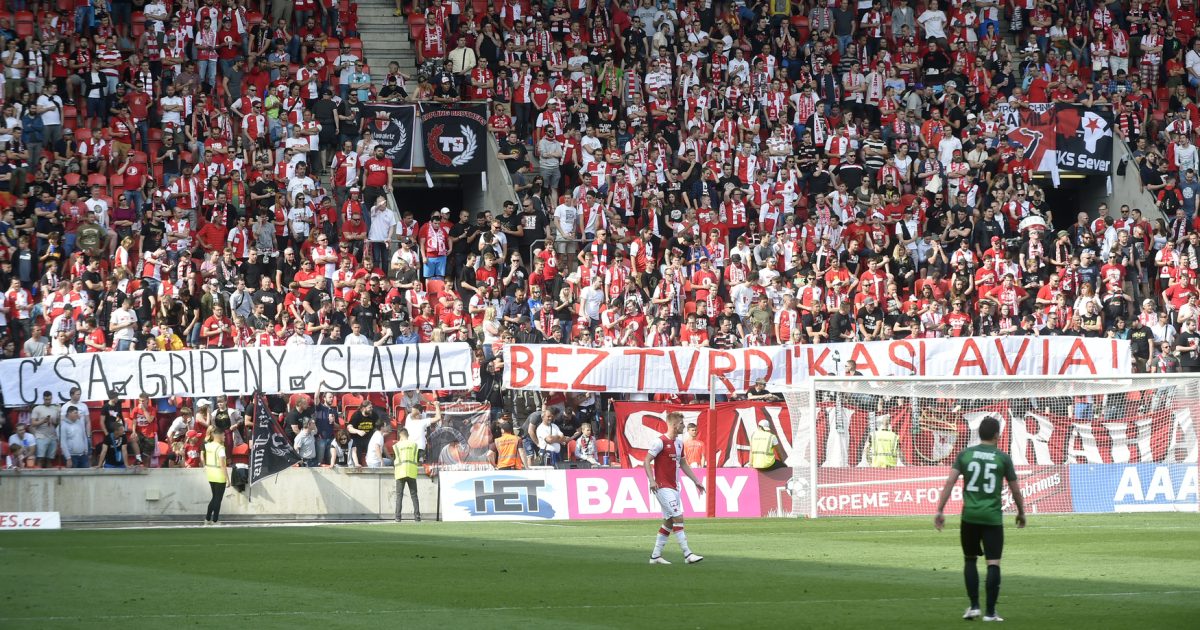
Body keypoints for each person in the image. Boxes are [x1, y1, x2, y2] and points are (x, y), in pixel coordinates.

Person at [934, 415, 1027, 622]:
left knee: (970, 560)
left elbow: (949, 483)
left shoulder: (965, 454)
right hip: (992, 519)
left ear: (978, 433)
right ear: (997, 435)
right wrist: (1021, 512)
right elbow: (1016, 490)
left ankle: (974, 606)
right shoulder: (1002, 458)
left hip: (970, 517)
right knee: (993, 563)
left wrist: (940, 510)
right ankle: (991, 613)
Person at [643, 411, 705, 565]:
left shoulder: (679, 443)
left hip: (674, 486)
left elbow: (683, 463)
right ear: (674, 425)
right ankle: (687, 554)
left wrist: (696, 480)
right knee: (678, 517)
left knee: (669, 522)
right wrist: (651, 480)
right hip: (662, 487)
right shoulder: (660, 442)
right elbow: (646, 461)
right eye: (682, 424)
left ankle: (655, 556)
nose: (683, 426)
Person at [392, 427, 422, 522]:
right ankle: (417, 517)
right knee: (414, 495)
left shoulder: (396, 446)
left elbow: (395, 459)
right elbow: (417, 458)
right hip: (411, 472)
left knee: (399, 496)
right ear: (407, 435)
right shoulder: (414, 445)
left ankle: (397, 517)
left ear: (400, 436)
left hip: (400, 473)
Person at [202, 426, 229, 525]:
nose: (225, 437)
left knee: (214, 497)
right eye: (224, 435)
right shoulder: (220, 448)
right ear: (219, 435)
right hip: (219, 474)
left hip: (210, 474)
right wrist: (227, 479)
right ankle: (215, 520)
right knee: (218, 498)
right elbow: (223, 465)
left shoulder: (208, 445)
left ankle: (208, 518)